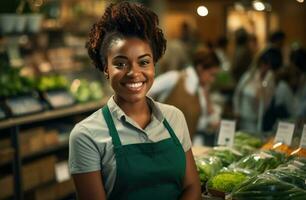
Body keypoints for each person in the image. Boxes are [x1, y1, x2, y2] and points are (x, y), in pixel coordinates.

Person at [68, 2, 201, 200]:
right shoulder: (86, 135)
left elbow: (191, 187)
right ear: (106, 68)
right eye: (120, 63)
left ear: (154, 65)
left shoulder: (174, 117)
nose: (134, 73)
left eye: (144, 62)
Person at [149, 48, 221, 145]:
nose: (212, 80)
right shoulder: (174, 77)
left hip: (190, 144)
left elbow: (208, 120)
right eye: (211, 74)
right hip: (162, 143)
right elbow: (147, 91)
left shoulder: (201, 90)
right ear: (200, 68)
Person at [233, 47, 283, 133]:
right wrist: (237, 112)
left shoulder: (269, 82)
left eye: (268, 66)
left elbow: (263, 103)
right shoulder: (248, 76)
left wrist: (265, 82)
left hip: (256, 122)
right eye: (264, 64)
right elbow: (237, 94)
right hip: (242, 118)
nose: (265, 68)